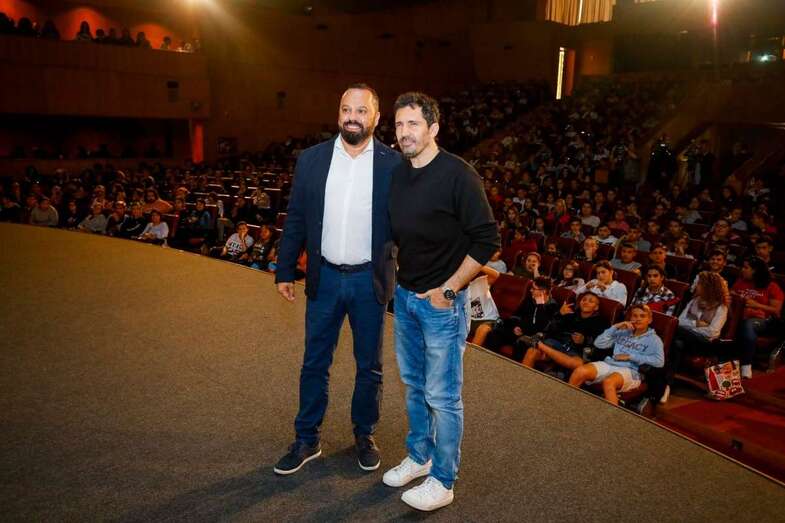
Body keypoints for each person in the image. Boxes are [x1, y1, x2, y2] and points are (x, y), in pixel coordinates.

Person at [273, 84, 401, 476]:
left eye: (361, 111)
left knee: (370, 367)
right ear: (338, 113)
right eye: (346, 109)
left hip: (369, 281)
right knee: (314, 362)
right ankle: (307, 438)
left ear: (376, 118)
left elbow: (408, 224)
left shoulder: (393, 165)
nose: (352, 117)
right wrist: (284, 268)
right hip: (324, 278)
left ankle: (364, 434)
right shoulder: (311, 160)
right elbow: (295, 217)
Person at [385, 91, 499, 511]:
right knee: (414, 387)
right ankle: (420, 456)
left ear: (433, 128)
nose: (404, 132)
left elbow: (488, 239)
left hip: (441, 306)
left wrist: (449, 289)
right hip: (406, 298)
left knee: (443, 396)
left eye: (413, 124)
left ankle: (443, 479)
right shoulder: (398, 173)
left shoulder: (459, 175)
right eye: (398, 125)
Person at [569, 304, 664, 406]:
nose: (638, 319)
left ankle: (613, 419)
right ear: (630, 318)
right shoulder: (624, 331)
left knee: (609, 382)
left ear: (649, 320)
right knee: (580, 371)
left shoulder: (655, 340)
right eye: (635, 316)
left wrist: (631, 356)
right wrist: (615, 327)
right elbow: (598, 343)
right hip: (610, 364)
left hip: (632, 371)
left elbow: (659, 362)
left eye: (642, 316)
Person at [662, 271, 729, 403]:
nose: (695, 286)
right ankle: (666, 386)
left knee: (674, 330)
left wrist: (691, 326)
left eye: (698, 284)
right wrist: (697, 324)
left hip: (705, 344)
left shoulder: (721, 307)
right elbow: (680, 321)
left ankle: (665, 385)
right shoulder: (694, 301)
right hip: (686, 340)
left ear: (708, 286)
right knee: (677, 344)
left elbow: (713, 333)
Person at [522, 291, 608, 374]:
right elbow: (549, 329)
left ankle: (540, 345)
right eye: (584, 300)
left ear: (596, 307)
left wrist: (584, 340)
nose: (586, 302)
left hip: (575, 351)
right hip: (557, 345)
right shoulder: (570, 313)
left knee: (578, 364)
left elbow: (600, 344)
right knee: (531, 352)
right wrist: (560, 314)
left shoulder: (601, 322)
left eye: (591, 301)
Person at [731, 256, 784, 379]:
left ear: (755, 271)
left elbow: (776, 310)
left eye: (746, 268)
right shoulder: (741, 281)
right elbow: (732, 293)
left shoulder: (771, 286)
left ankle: (746, 365)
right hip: (739, 316)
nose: (742, 270)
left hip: (765, 321)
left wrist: (756, 305)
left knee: (748, 324)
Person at [484, 276, 558, 359]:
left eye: (534, 288)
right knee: (495, 334)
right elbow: (517, 315)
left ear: (543, 291)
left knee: (522, 343)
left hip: (531, 336)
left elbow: (542, 328)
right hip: (519, 330)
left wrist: (540, 305)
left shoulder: (552, 306)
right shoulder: (529, 300)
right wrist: (516, 327)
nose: (531, 290)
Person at [465, 266, 501, 346]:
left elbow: (496, 275)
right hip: (469, 320)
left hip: (489, 319)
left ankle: (470, 356)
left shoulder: (480, 282)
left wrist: (477, 264)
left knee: (483, 329)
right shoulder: (456, 288)